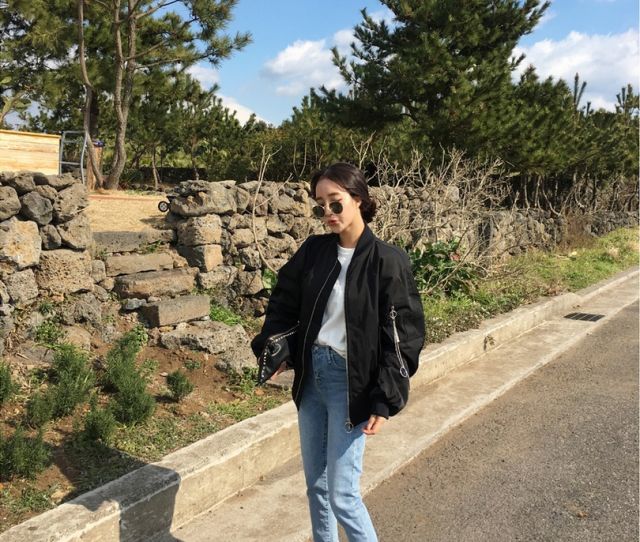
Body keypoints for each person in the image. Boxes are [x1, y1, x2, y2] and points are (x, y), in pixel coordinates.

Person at [251, 162, 425, 542]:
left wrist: (385, 398)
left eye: (335, 202)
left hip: (351, 383)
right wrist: (276, 349)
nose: (327, 213)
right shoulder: (314, 251)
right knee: (316, 487)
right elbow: (285, 301)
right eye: (320, 206)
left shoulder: (387, 260)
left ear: (358, 199)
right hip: (311, 378)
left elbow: (403, 335)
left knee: (342, 495)